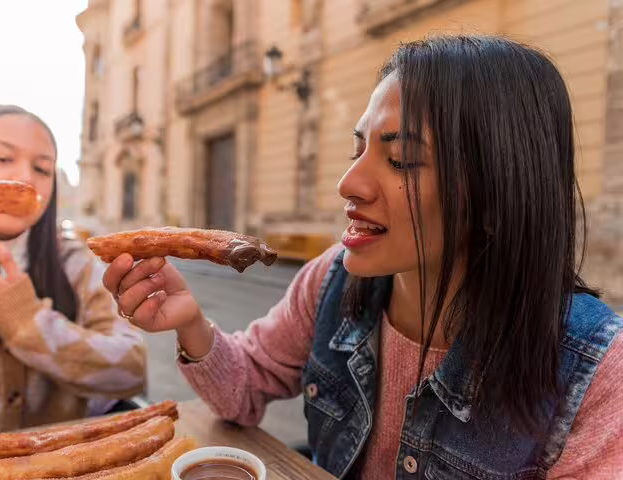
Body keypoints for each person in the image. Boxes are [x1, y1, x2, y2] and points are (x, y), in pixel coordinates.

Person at [102, 36, 623, 478]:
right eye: (359, 150)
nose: (348, 184)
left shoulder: (596, 371)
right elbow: (244, 387)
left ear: (498, 192)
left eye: (401, 160)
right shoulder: (330, 280)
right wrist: (189, 322)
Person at [0, 105, 147, 448]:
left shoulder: (77, 263)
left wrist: (20, 316)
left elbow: (130, 371)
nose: (25, 176)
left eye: (42, 168)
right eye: (2, 159)